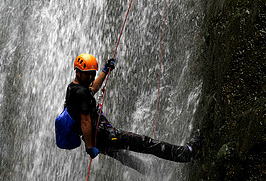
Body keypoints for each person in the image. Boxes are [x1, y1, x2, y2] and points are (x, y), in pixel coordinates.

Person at [64, 53, 202, 172]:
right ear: (78, 72)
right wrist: (89, 147)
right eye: (89, 75)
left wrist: (105, 71)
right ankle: (186, 153)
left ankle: (150, 171)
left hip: (98, 142)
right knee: (145, 143)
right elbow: (85, 121)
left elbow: (92, 89)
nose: (92, 78)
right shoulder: (81, 93)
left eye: (93, 74)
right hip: (103, 135)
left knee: (125, 157)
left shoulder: (73, 88)